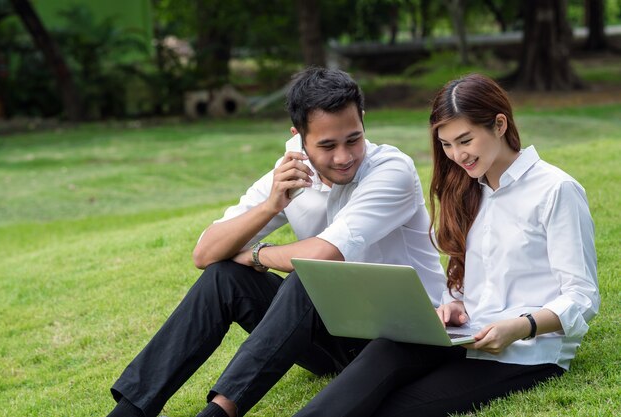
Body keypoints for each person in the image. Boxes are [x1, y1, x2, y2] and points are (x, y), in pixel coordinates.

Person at [106, 67, 446, 417]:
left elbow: (324, 254)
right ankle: (130, 411)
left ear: (362, 121)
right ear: (299, 137)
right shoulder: (291, 174)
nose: (344, 157)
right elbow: (205, 253)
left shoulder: (392, 170)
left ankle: (219, 412)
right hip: (337, 338)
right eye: (327, 145)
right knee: (224, 277)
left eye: (353, 139)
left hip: (406, 339)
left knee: (310, 276)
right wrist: (271, 205)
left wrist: (258, 254)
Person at [290, 73, 600, 417]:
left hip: (524, 350)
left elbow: (582, 296)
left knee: (390, 408)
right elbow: (466, 277)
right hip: (466, 338)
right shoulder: (469, 189)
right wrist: (453, 304)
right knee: (384, 351)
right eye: (447, 145)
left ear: (499, 124)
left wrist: (520, 326)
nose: (457, 155)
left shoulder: (556, 190)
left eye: (465, 140)